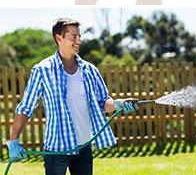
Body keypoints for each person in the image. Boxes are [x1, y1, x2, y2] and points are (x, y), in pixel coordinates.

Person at [6, 17, 138, 174]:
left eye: (79, 36)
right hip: (56, 150)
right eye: (73, 36)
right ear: (59, 38)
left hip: (83, 146)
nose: (78, 40)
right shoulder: (42, 70)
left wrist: (119, 104)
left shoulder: (89, 70)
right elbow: (26, 107)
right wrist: (13, 141)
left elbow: (103, 102)